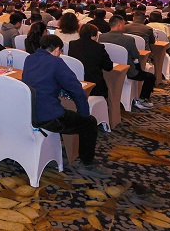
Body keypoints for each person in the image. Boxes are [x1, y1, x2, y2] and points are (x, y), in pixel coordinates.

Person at [22, 34, 110, 179]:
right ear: (57, 50)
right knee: (89, 123)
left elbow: (42, 81)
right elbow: (76, 89)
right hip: (47, 117)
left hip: (28, 111)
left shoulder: (30, 58)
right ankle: (86, 164)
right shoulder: (56, 62)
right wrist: (83, 114)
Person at [98, 16, 156, 110]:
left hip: (106, 69)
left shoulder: (101, 37)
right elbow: (135, 55)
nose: (125, 26)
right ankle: (142, 99)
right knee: (151, 77)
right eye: (124, 24)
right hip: (128, 72)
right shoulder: (128, 39)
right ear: (119, 25)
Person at [68, 24, 114, 99]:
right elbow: (108, 67)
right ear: (94, 35)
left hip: (77, 81)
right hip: (94, 84)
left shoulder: (72, 44)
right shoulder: (98, 47)